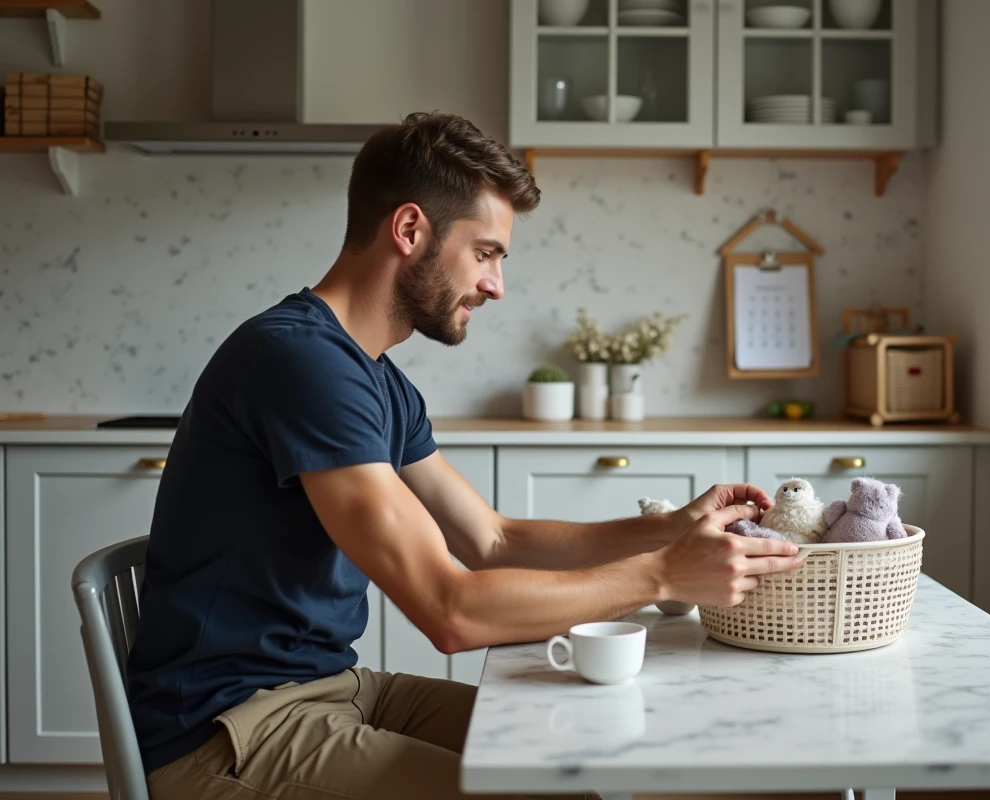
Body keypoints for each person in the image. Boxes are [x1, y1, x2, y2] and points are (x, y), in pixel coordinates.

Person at [126, 111, 803, 800]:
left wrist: (670, 529)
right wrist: (661, 577)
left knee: (586, 750)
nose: (496, 285)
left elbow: (491, 540)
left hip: (332, 689)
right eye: (485, 252)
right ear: (410, 229)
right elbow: (451, 612)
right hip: (230, 730)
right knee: (548, 790)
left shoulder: (376, 378)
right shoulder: (300, 361)